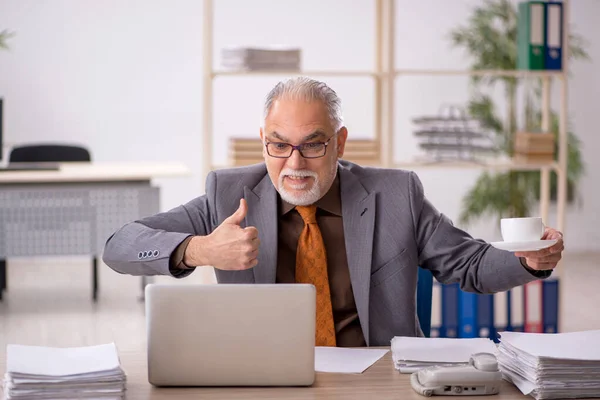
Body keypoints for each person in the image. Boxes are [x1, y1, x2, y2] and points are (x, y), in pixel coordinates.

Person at [102, 77, 564, 347]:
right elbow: (119, 244)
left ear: (339, 142)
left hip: (379, 376)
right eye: (279, 145)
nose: (295, 163)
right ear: (263, 138)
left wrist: (527, 260)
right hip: (266, 378)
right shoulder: (230, 195)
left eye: (313, 145)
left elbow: (469, 264)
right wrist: (198, 249)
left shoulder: (396, 193)